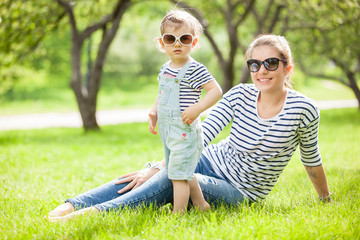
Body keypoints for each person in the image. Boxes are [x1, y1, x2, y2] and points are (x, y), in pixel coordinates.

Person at [48, 33, 331, 222]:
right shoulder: (239, 94)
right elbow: (203, 133)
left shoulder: (303, 109)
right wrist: (156, 165)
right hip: (206, 160)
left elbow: (311, 159)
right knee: (148, 174)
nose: (261, 70)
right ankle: (73, 204)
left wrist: (325, 199)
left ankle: (89, 215)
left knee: (171, 177)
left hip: (238, 189)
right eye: (254, 64)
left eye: (270, 63)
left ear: (287, 68)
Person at [148, 10, 222, 213]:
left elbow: (216, 90)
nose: (177, 43)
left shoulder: (195, 69)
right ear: (162, 43)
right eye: (171, 38)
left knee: (178, 175)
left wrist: (197, 109)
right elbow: (162, 92)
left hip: (185, 131)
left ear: (194, 42)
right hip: (168, 131)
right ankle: (201, 205)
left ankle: (178, 214)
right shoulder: (165, 68)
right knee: (181, 169)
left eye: (184, 38)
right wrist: (154, 111)